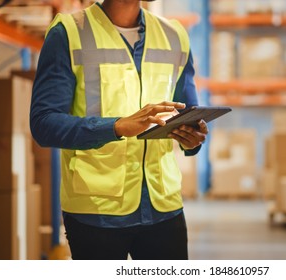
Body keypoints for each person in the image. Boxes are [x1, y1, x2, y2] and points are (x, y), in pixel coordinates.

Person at [30, 0, 207, 260]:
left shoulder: (175, 36)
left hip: (164, 207)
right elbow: (44, 124)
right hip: (95, 211)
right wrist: (116, 127)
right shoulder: (68, 32)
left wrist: (193, 140)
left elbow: (188, 113)